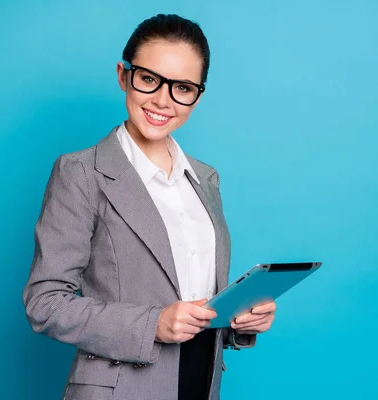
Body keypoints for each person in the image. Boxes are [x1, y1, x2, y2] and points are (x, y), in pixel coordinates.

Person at [23, 14, 276, 400]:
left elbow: (195, 301)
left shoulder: (206, 179)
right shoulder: (80, 172)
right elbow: (45, 303)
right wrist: (151, 324)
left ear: (198, 96)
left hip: (199, 383)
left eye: (183, 88)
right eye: (149, 79)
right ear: (124, 75)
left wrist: (240, 320)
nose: (162, 100)